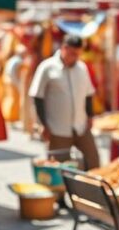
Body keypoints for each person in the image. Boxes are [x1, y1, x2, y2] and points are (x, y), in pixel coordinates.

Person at [29, 35, 100, 170]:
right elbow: (37, 97)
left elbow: (88, 94)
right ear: (64, 48)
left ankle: (89, 190)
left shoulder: (82, 68)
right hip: (57, 128)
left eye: (78, 54)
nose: (75, 57)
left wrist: (90, 116)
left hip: (81, 126)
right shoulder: (47, 67)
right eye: (73, 53)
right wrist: (43, 124)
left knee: (93, 162)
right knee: (59, 169)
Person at [2, 44, 27, 123]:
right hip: (12, 82)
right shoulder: (18, 61)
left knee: (9, 99)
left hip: (8, 81)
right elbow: (14, 74)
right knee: (13, 100)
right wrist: (18, 84)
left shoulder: (13, 59)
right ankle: (10, 117)